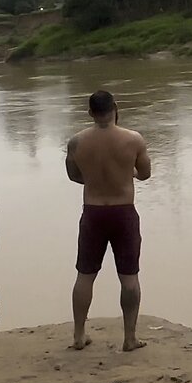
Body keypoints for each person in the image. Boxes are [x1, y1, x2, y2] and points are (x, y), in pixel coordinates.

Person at [63, 90, 152, 352]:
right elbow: (145, 174)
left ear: (90, 112)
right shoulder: (133, 139)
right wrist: (126, 172)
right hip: (123, 212)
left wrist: (94, 178)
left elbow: (74, 176)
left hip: (93, 212)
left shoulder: (76, 142)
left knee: (85, 275)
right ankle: (129, 338)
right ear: (115, 107)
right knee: (129, 277)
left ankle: (79, 335)